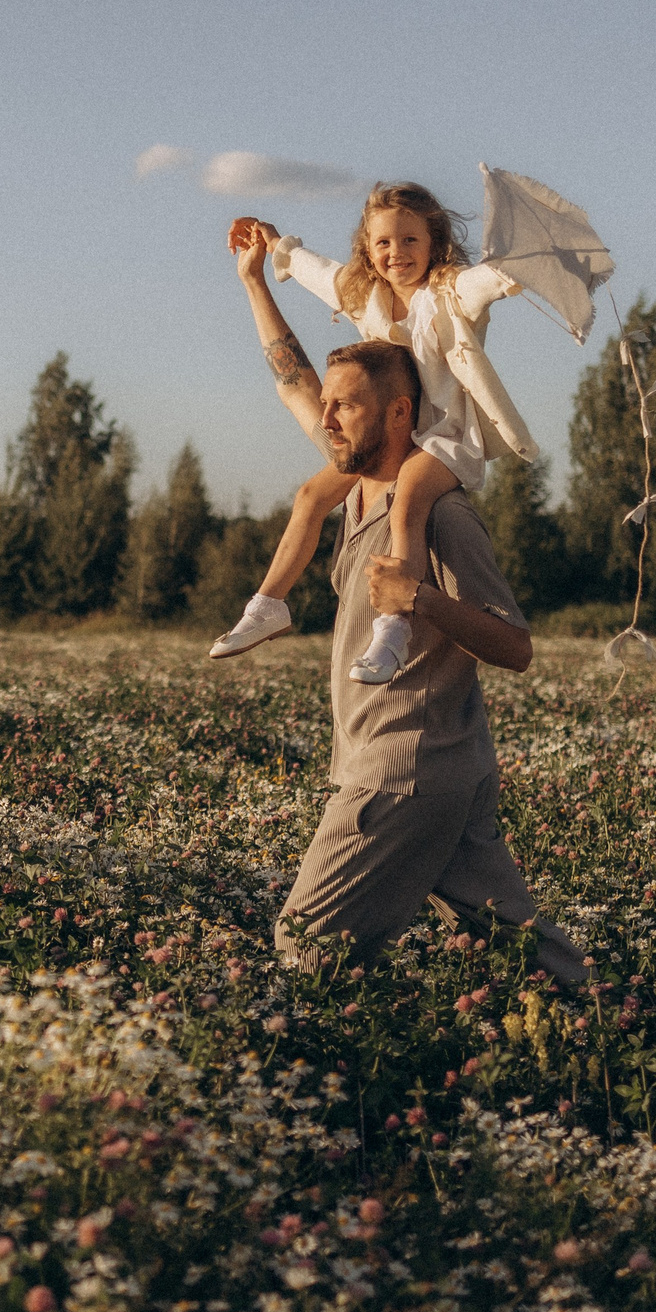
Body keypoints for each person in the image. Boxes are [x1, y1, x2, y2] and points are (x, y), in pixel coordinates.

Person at [259, 334, 586, 987]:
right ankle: (639, 1034)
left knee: (306, 947)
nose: (326, 420)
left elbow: (514, 647)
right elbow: (290, 374)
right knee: (529, 962)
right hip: (442, 768)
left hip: (407, 767)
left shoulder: (444, 517)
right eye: (327, 406)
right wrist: (257, 279)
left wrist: (422, 599)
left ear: (400, 414)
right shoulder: (354, 501)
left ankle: (339, 1075)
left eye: (346, 407)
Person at [208, 184, 540, 685]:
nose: (396, 253)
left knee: (407, 502)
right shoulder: (368, 299)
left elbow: (489, 282)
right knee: (310, 495)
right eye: (383, 243)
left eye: (410, 240)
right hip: (394, 442)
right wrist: (276, 251)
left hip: (444, 440)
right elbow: (317, 274)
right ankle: (269, 603)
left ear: (435, 244)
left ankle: (392, 626)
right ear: (368, 249)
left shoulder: (449, 294)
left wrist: (521, 264)